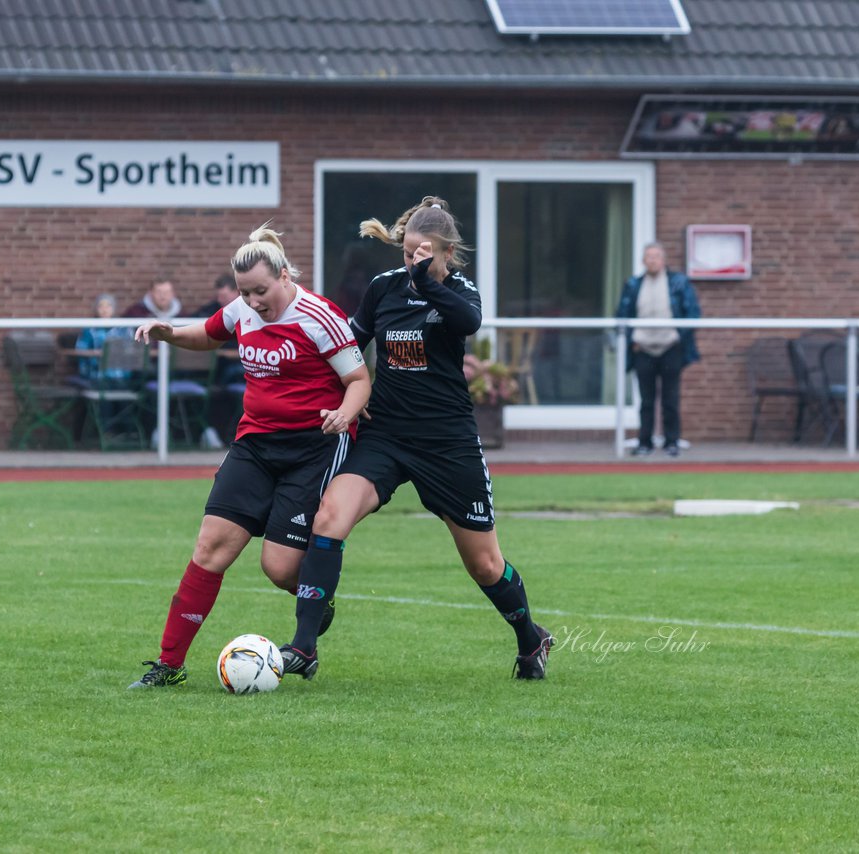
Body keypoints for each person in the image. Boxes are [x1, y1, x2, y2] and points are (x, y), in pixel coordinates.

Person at [278, 196, 555, 682]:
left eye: (424, 254)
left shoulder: (462, 291)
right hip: (386, 436)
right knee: (329, 517)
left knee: (485, 565)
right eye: (407, 252)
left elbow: (468, 324)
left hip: (448, 445)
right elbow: (349, 344)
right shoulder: (384, 288)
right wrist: (347, 398)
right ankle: (304, 647)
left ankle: (531, 639)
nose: (412, 262)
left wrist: (428, 280)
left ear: (448, 253)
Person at [128, 226, 371, 689]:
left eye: (261, 290)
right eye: (245, 292)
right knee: (210, 547)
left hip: (312, 448)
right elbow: (209, 333)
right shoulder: (242, 308)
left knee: (279, 568)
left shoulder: (320, 316)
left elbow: (359, 380)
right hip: (255, 445)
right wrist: (168, 333)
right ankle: (168, 663)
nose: (253, 301)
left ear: (283, 275)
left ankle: (315, 599)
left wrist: (344, 413)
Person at [614, 242, 701, 457]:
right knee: (646, 399)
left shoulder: (678, 283)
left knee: (671, 398)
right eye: (648, 256)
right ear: (643, 261)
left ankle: (672, 442)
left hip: (670, 346)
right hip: (642, 347)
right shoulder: (634, 284)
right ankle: (645, 442)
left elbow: (692, 313)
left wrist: (679, 339)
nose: (652, 260)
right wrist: (632, 340)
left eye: (656, 256)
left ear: (663, 260)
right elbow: (622, 313)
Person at [198, 273, 247, 447]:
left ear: (237, 293)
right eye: (218, 296)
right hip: (217, 370)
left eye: (224, 296)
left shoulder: (249, 311)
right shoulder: (211, 311)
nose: (220, 300)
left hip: (242, 368)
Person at [68, 293, 133, 389]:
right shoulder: (89, 329)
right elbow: (81, 351)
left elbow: (131, 352)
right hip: (96, 374)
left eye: (108, 306)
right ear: (96, 309)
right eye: (100, 306)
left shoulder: (124, 328)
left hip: (121, 375)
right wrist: (95, 355)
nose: (104, 310)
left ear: (114, 308)